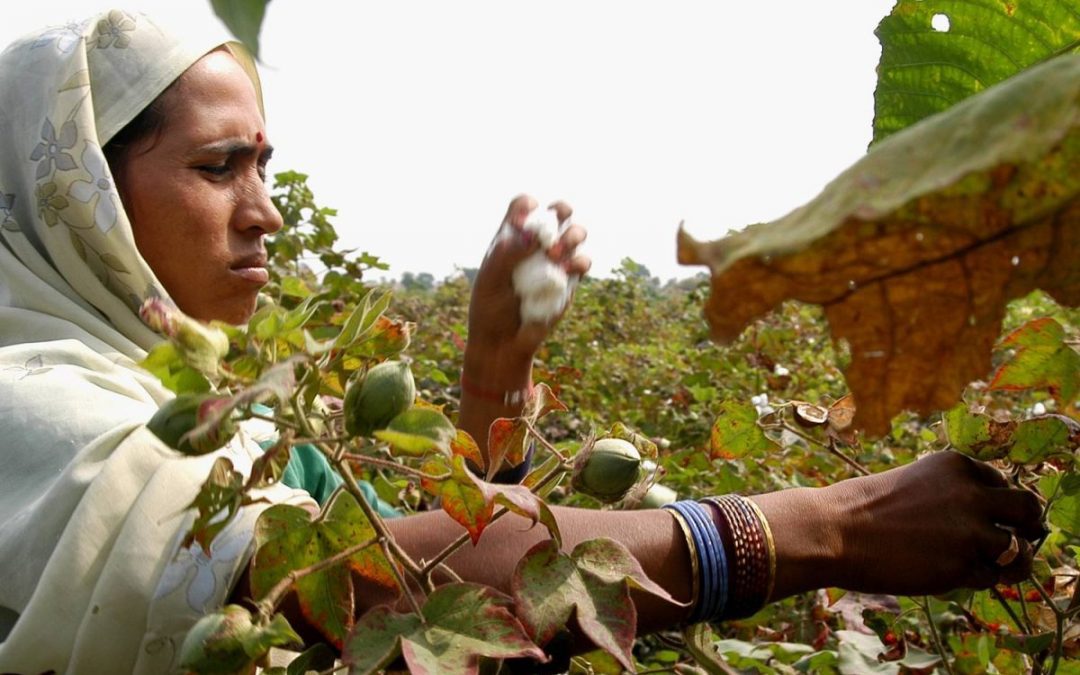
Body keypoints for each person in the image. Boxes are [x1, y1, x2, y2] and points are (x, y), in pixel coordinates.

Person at [0, 10, 1044, 674]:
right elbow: (349, 579)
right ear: (78, 195)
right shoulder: (27, 401)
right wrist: (827, 525)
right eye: (222, 165)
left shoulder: (220, 404)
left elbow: (421, 602)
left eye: (268, 167)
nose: (266, 211)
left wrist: (495, 364)